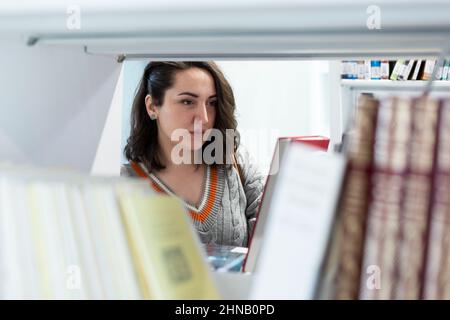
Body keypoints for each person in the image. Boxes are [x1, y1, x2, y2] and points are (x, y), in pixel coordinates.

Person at [121, 61, 264, 247]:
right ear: (152, 107)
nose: (203, 118)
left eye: (211, 103)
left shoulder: (237, 163)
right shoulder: (124, 185)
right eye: (187, 102)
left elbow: (269, 250)